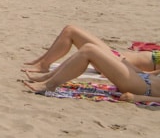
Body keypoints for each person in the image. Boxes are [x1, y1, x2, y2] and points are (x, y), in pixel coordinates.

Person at [21, 34, 159, 99]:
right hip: (143, 78)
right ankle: (48, 77)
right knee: (88, 47)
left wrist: (137, 98)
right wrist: (137, 70)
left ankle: (50, 85)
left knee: (89, 51)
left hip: (142, 88)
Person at [22, 25, 160, 76]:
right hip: (118, 58)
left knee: (71, 31)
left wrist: (141, 74)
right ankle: (41, 61)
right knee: (69, 30)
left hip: (117, 62)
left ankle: (43, 65)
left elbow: (153, 74)